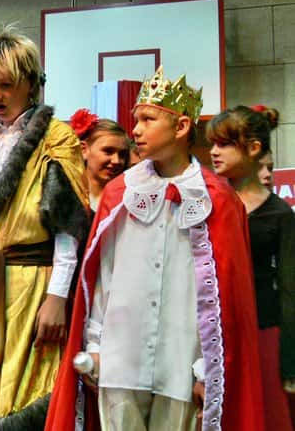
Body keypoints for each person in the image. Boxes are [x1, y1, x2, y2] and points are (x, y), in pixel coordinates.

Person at [45, 66, 265, 431]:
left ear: (181, 127)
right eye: (136, 120)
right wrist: (95, 346)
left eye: (148, 119)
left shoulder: (218, 200)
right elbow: (102, 278)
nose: (136, 130)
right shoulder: (120, 193)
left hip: (180, 364)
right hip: (120, 359)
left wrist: (206, 369)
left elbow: (225, 300)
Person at [0, 27, 89, 429]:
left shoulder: (56, 138)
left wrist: (57, 297)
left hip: (30, 285)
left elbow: (67, 227)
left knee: (24, 397)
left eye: (6, 85)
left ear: (30, 82)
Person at [208, 105, 294, 430]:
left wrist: (289, 361)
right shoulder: (205, 203)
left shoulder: (279, 214)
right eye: (213, 144)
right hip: (212, 331)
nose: (214, 152)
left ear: (254, 148)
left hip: (261, 331)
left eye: (224, 144)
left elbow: (290, 289)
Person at [69, 109, 129, 212]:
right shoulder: (67, 196)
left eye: (122, 154)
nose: (117, 161)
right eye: (108, 151)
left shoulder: (130, 198)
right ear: (83, 150)